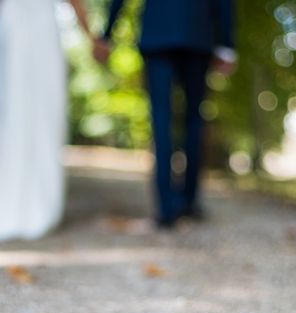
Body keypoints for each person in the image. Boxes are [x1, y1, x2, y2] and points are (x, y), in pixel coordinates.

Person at [0, 0, 92, 243]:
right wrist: (91, 35)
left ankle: (12, 199)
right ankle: (41, 202)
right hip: (40, 26)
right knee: (39, 114)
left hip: (14, 23)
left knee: (14, 111)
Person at [95, 0, 236, 228]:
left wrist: (107, 32)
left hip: (158, 30)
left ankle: (166, 208)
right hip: (196, 30)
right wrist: (226, 44)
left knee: (161, 119)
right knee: (193, 118)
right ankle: (188, 201)